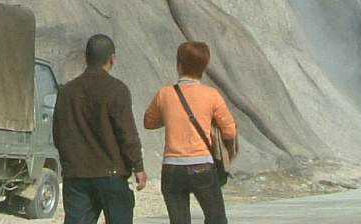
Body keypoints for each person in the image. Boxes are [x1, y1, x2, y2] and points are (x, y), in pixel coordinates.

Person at [53, 34, 147, 224]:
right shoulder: (117, 89)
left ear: (86, 58)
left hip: (77, 175)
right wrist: (138, 166)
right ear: (112, 59)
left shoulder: (66, 92)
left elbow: (58, 134)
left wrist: (70, 165)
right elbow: (127, 133)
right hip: (112, 175)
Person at [143, 41, 238, 224]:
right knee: (216, 219)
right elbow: (229, 132)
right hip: (202, 166)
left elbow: (149, 122)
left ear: (179, 65)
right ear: (204, 67)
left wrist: (171, 117)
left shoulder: (164, 94)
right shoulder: (212, 95)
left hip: (172, 168)